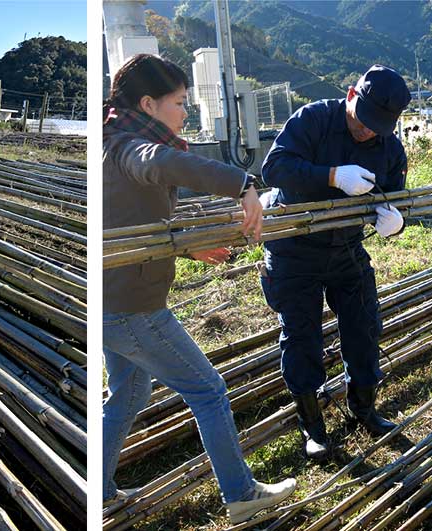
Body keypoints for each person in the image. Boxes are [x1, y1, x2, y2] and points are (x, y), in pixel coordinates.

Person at [103, 53, 296, 525]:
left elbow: (132, 222)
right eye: (178, 102)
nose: (185, 111)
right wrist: (242, 183)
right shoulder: (132, 147)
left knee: (128, 393)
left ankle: (101, 491)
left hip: (111, 303)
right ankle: (242, 493)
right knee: (208, 390)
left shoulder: (111, 142)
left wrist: (186, 251)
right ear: (148, 104)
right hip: (134, 308)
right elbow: (165, 165)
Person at [260, 64, 411, 462]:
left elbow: (396, 200)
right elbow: (273, 168)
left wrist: (393, 223)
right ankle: (313, 428)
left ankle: (364, 406)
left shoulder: (389, 148)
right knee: (301, 336)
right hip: (293, 247)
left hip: (346, 248)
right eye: (363, 121)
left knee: (364, 326)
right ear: (350, 96)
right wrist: (331, 176)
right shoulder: (313, 119)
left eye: (378, 126)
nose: (367, 131)